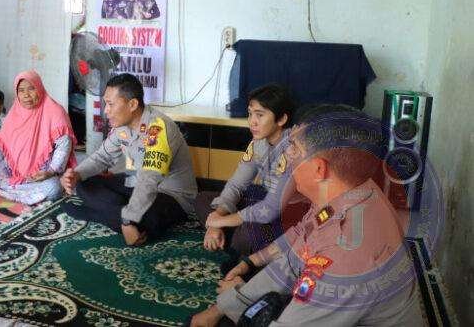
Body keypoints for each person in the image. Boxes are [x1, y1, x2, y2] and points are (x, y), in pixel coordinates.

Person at [188, 106, 423, 326]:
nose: (287, 154)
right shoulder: (355, 192)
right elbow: (297, 252)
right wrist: (225, 305)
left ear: (319, 169)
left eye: (294, 149)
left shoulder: (345, 258)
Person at [61, 74, 197, 246]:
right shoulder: (123, 126)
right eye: (105, 104)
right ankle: (118, 212)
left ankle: (98, 214)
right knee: (84, 183)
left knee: (147, 221)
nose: (106, 110)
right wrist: (76, 175)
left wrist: (129, 220)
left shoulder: (157, 128)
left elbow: (149, 179)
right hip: (136, 183)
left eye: (111, 104)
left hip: (171, 195)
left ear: (132, 104)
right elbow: (102, 156)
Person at [196, 84, 296, 259]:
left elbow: (272, 208)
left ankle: (236, 238)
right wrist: (216, 219)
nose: (252, 122)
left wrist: (221, 221)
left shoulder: (294, 148)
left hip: (286, 212)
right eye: (250, 114)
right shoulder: (257, 143)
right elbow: (237, 184)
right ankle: (228, 234)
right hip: (262, 200)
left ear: (281, 119)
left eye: (260, 115)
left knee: (245, 238)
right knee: (202, 199)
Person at [0, 70, 77, 204]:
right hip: (13, 169)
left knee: (54, 187)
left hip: (43, 173)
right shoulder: (14, 114)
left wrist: (51, 171)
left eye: (31, 88)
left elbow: (64, 145)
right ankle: (21, 192)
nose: (26, 95)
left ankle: (4, 189)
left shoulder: (55, 111)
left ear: (39, 88)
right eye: (21, 90)